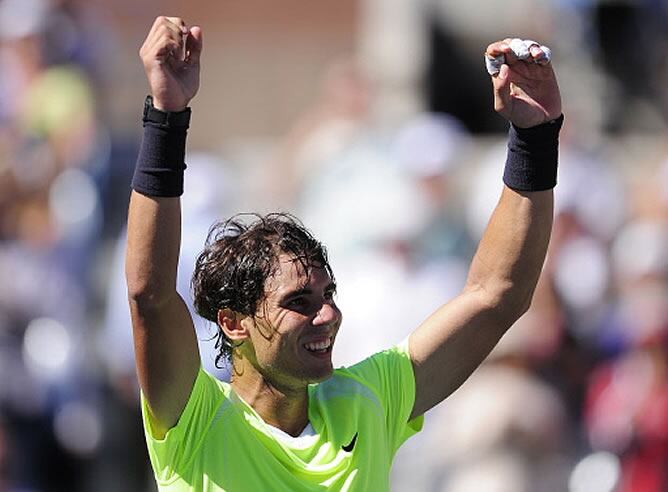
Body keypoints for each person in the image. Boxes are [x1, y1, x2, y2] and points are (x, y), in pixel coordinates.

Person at [126, 16, 563, 492]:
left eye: (327, 295)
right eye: (300, 302)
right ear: (233, 323)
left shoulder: (368, 398)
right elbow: (150, 295)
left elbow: (497, 294)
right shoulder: (196, 420)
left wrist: (534, 139)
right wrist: (166, 116)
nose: (328, 315)